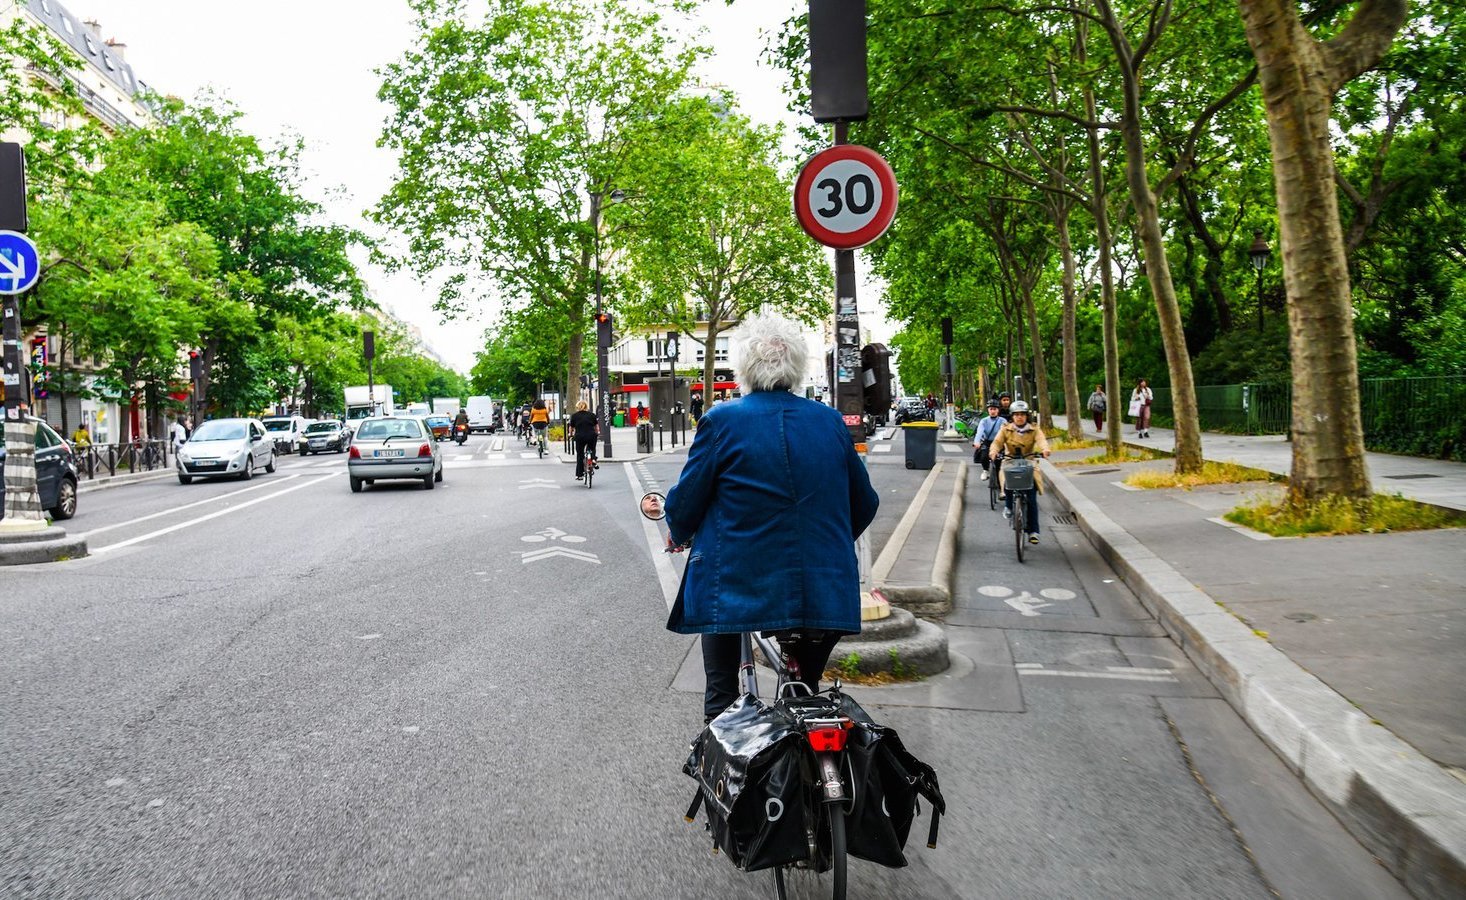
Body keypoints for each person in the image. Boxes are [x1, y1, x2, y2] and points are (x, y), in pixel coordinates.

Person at [664, 315, 879, 722]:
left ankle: (721, 774)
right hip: (823, 582)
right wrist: (827, 544)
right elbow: (864, 503)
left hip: (737, 586)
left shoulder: (721, 421)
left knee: (723, 692)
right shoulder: (829, 421)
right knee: (807, 692)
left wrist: (678, 529)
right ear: (797, 368)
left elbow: (686, 504)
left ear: (742, 368)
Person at [991, 400, 1051, 545]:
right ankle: (1009, 506)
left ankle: (1033, 531)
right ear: (1012, 416)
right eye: (1016, 415)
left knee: (1031, 497)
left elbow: (1041, 440)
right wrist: (993, 451)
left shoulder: (1034, 429)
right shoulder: (1006, 429)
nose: (1019, 417)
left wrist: (1045, 449)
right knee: (1006, 476)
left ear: (1027, 416)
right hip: (1010, 460)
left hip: (1029, 461)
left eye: (1022, 415)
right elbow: (997, 442)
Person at [971, 400, 1005, 480]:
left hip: (999, 443)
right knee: (984, 457)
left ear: (998, 410)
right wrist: (977, 442)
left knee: (999, 460)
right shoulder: (984, 421)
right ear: (988, 410)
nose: (993, 411)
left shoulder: (1003, 421)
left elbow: (1005, 432)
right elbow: (979, 432)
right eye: (991, 409)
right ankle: (985, 470)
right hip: (987, 442)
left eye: (995, 409)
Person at [568, 400, 598, 479]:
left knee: (580, 455)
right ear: (586, 406)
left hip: (580, 436)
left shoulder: (574, 416)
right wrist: (596, 433)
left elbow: (571, 428)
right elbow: (596, 427)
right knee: (592, 448)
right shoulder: (592, 415)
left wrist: (570, 435)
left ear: (578, 407)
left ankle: (580, 475)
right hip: (591, 435)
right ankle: (593, 459)